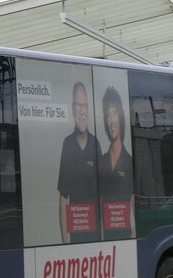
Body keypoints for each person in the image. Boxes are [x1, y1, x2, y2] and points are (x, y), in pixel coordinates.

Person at [57, 81, 101, 243]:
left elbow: (103, 194)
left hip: (95, 235)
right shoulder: (67, 144)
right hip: (75, 234)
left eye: (85, 106)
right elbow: (63, 198)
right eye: (78, 105)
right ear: (72, 109)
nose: (82, 111)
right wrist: (65, 243)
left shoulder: (95, 144)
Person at [98, 85, 133, 238]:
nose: (111, 120)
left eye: (114, 113)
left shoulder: (130, 161)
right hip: (105, 241)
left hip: (127, 239)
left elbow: (134, 206)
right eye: (107, 115)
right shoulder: (102, 160)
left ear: (121, 117)